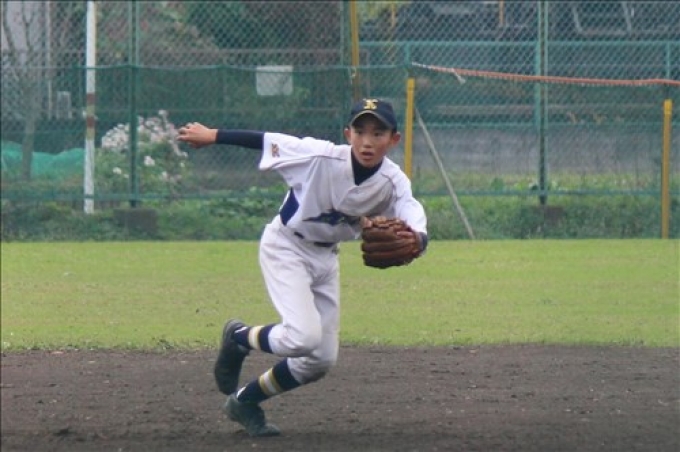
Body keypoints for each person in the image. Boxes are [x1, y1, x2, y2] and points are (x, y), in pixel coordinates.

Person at [177, 98, 428, 437]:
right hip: (286, 247)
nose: (367, 141)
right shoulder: (319, 156)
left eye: (378, 133)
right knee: (302, 337)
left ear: (394, 139)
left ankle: (244, 402)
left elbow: (411, 211)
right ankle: (238, 337)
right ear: (348, 134)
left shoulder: (392, 181)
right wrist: (214, 135)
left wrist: (419, 239)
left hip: (326, 258)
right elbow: (268, 140)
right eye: (360, 131)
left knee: (319, 360)